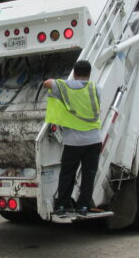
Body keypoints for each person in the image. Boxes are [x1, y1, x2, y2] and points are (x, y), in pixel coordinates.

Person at [44, 60, 102, 217]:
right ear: (89, 74)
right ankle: (83, 207)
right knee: (89, 175)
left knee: (68, 174)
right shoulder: (96, 88)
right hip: (94, 140)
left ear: (74, 73)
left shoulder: (66, 86)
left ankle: (62, 205)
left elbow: (47, 83)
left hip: (73, 142)